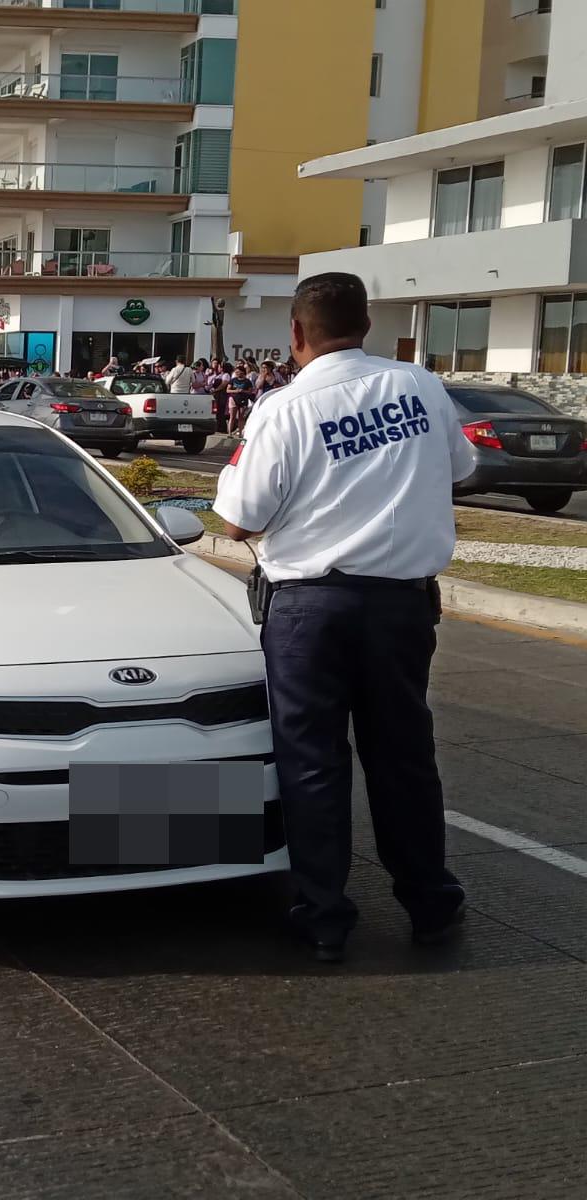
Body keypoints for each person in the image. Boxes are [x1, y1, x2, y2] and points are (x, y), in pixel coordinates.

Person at [213, 272, 476, 963]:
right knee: (405, 759)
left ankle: (325, 916)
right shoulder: (421, 386)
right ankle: (431, 904)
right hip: (401, 605)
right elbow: (460, 467)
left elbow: (239, 520)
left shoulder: (284, 407)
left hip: (310, 611)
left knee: (313, 766)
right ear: (368, 325)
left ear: (295, 334)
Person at [226, 363, 255, 435]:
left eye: (239, 372)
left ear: (243, 372)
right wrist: (236, 391)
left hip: (243, 399)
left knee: (241, 417)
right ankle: (229, 433)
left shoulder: (247, 381)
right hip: (233, 398)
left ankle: (241, 433)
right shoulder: (233, 380)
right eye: (236, 372)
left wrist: (243, 391)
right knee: (232, 416)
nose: (237, 374)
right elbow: (228, 390)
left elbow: (250, 391)